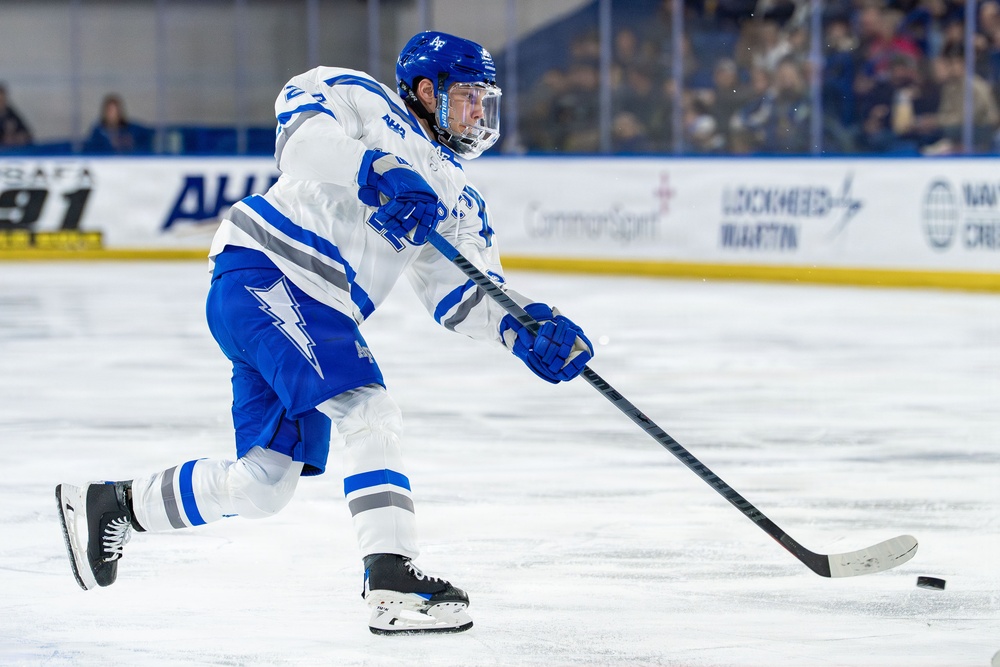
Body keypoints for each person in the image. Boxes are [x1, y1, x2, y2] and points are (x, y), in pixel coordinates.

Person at [55, 31, 594, 636]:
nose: (478, 113)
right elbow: (299, 139)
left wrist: (526, 329)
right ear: (425, 90)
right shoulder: (362, 100)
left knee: (264, 484)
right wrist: (376, 167)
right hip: (269, 270)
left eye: (484, 100)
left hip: (305, 307)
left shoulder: (461, 200)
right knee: (369, 410)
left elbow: (462, 294)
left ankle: (114, 505)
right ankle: (391, 580)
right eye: (467, 96)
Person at [83, 93, 153, 154]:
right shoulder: (98, 131)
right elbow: (91, 150)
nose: (112, 114)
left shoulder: (131, 129)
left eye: (115, 111)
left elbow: (147, 136)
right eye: (110, 111)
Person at [0, 83, 32, 147]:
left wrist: (19, 137)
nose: (2, 103)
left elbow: (27, 133)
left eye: (3, 100)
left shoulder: (10, 113)